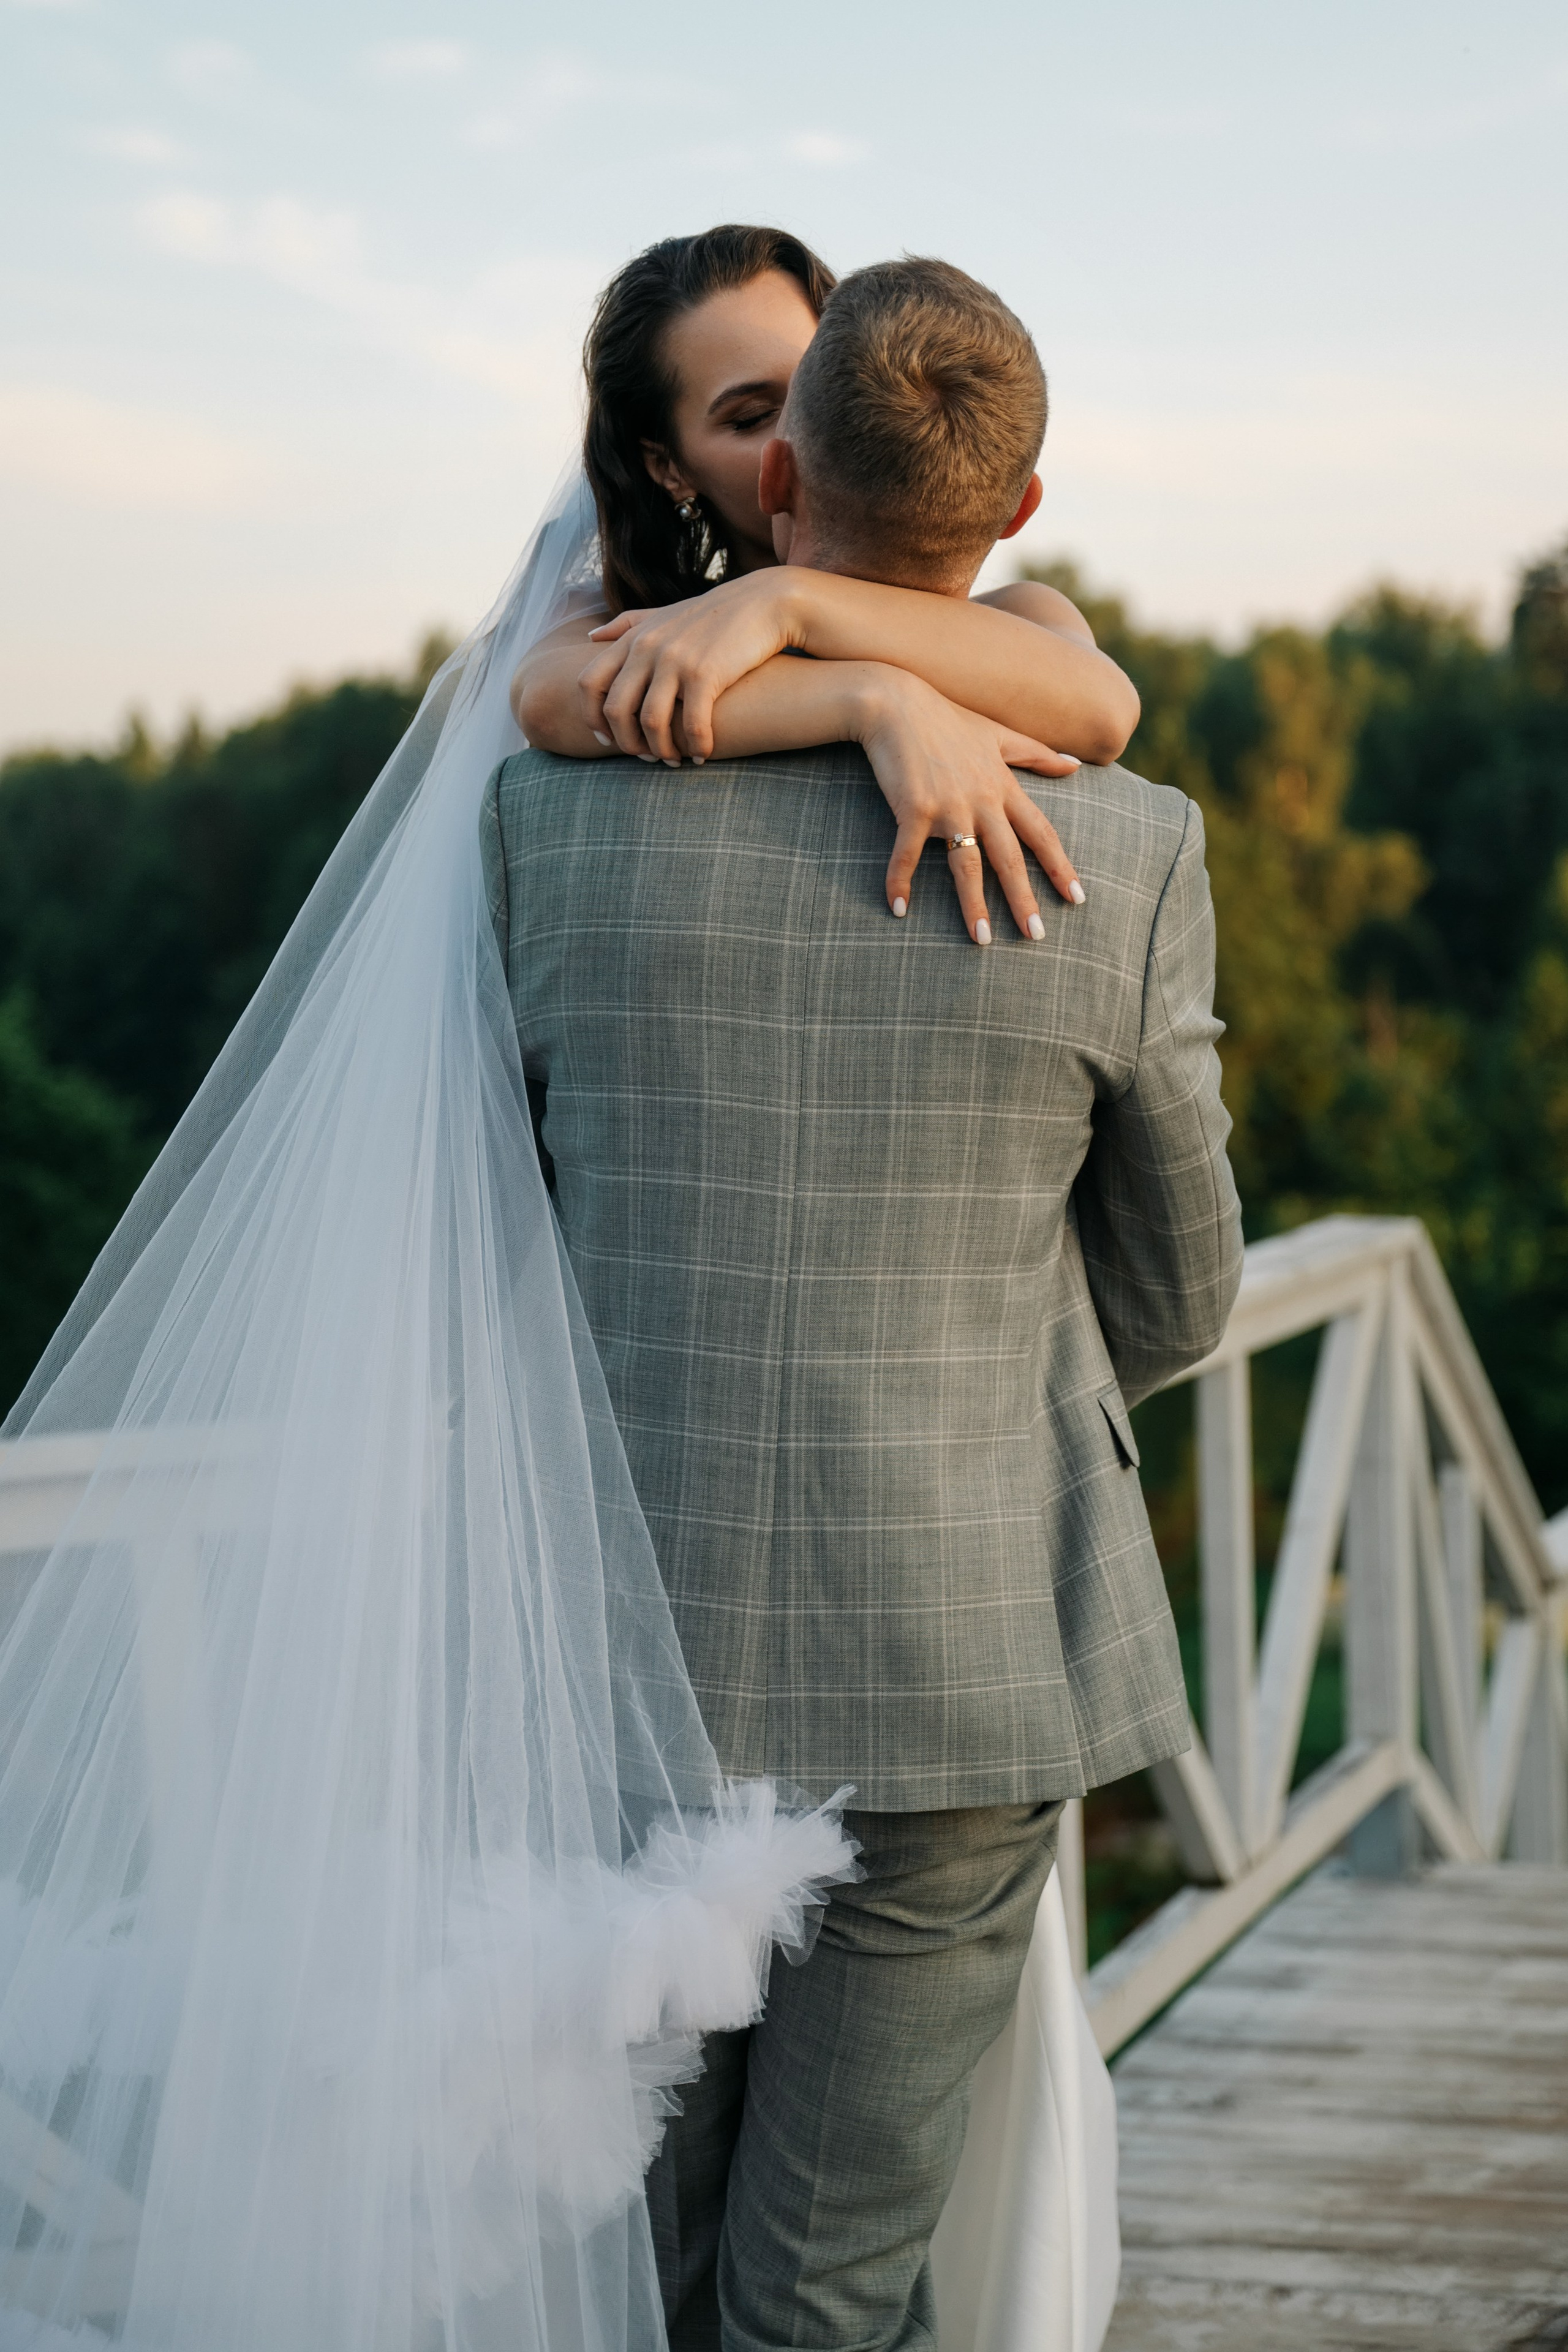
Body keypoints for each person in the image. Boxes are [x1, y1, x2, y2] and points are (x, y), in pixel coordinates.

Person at [482, 255, 1245, 2351]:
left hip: (625, 1666)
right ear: (1018, 512)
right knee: (831, 2289)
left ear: (782, 466)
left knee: (641, 2259)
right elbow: (1180, 1298)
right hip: (961, 1663)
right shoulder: (1136, 848)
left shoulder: (548, 815)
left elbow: (494, 1231)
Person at [511, 224, 1142, 943]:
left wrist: (790, 601)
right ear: (669, 466)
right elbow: (548, 697)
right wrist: (874, 698)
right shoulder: (631, 625)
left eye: (817, 379)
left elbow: (1103, 709)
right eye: (751, 416)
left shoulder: (1025, 613)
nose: (807, 427)